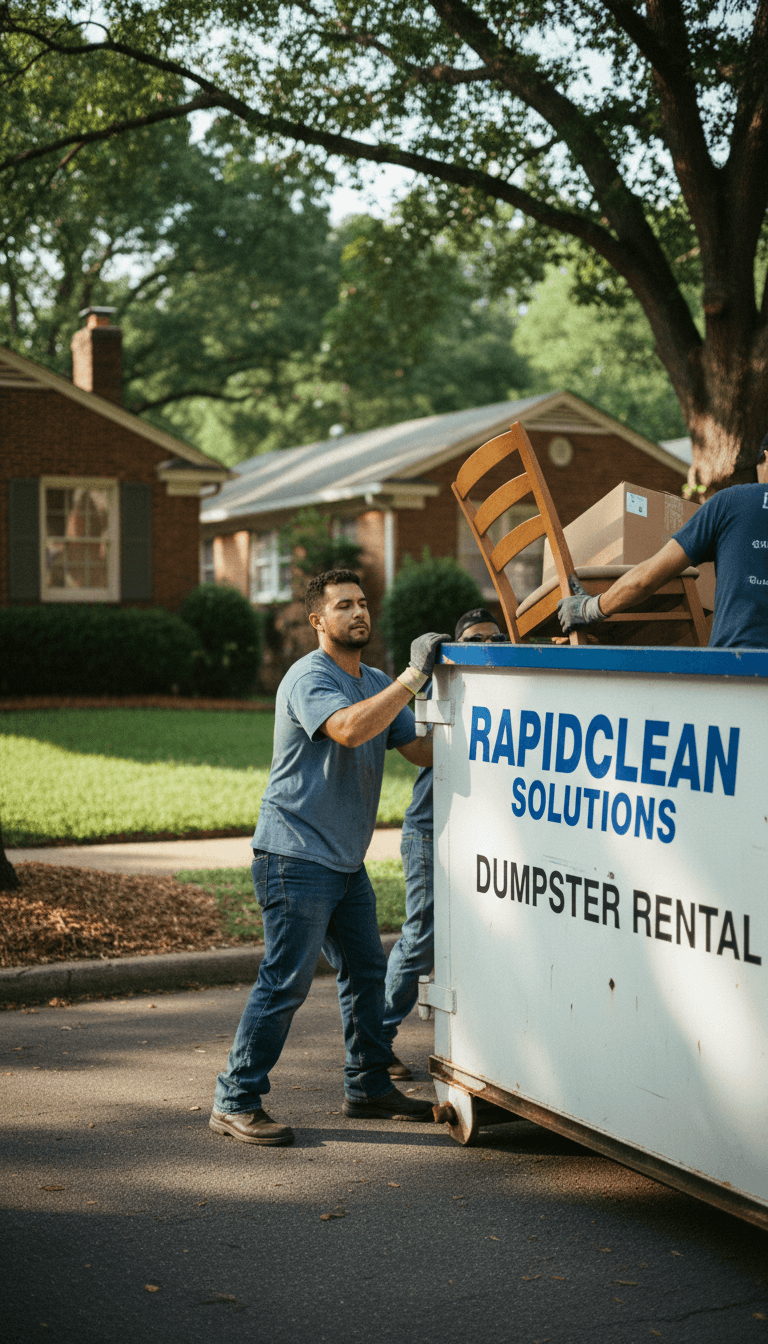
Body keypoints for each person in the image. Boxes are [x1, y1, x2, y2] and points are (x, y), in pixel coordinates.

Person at [210, 568, 449, 1146]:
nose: (359, 613)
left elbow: (417, 749)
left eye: (364, 603)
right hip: (293, 855)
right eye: (344, 606)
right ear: (318, 621)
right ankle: (234, 1098)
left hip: (344, 861)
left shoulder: (374, 680)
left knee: (367, 972)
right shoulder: (307, 678)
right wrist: (414, 677)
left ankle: (367, 1084)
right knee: (286, 980)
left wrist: (480, 729)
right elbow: (346, 729)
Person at [384, 607, 507, 1080]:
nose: (486, 646)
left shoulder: (511, 690)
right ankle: (375, 1040)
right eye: (476, 639)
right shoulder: (446, 685)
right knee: (422, 938)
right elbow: (414, 743)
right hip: (431, 829)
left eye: (496, 639)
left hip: (482, 836)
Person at [557, 437, 768, 648]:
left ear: (766, 458)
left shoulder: (731, 503)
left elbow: (647, 579)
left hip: (736, 665)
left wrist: (590, 608)